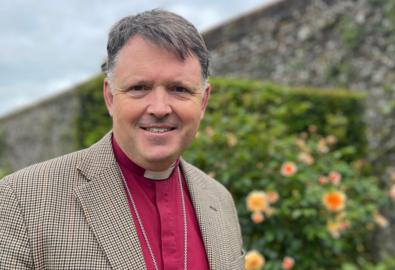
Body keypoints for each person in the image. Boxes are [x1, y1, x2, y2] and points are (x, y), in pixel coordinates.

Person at [0, 9, 244, 270]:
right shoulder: (21, 200)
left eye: (179, 89)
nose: (160, 108)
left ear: (203, 101)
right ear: (110, 97)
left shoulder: (220, 200)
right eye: (139, 88)